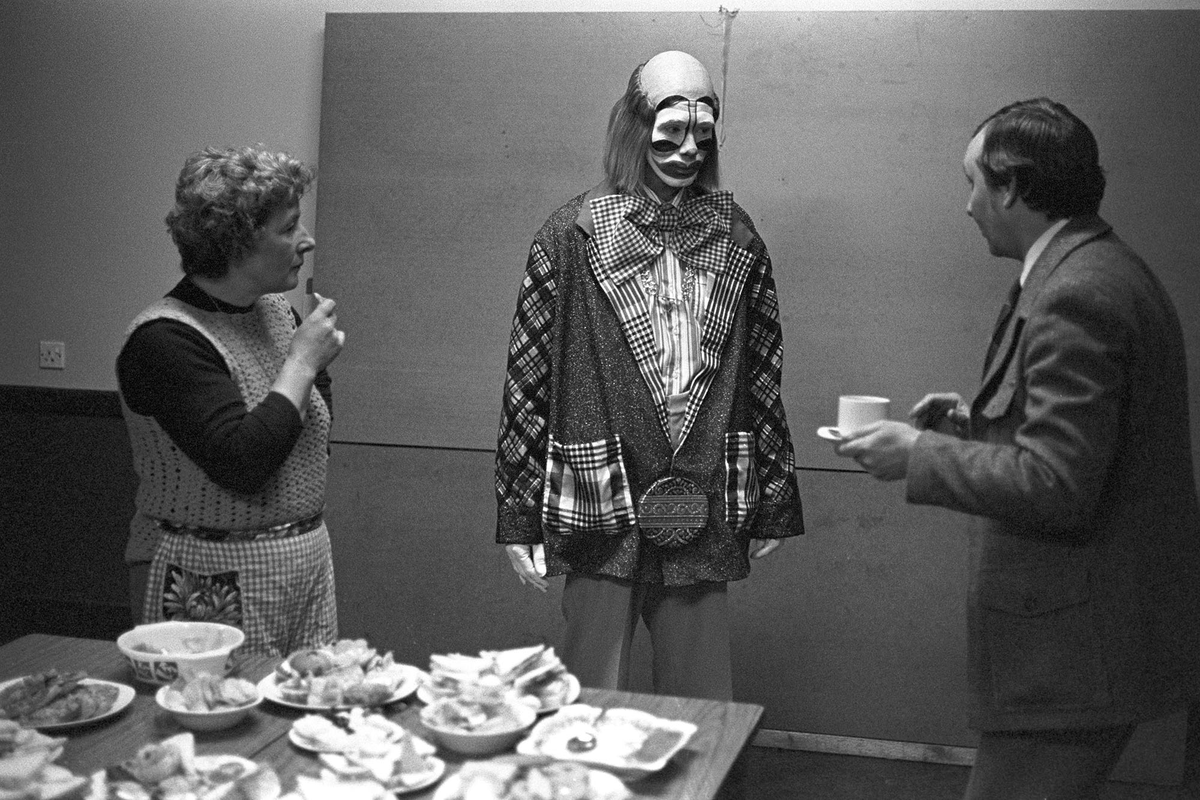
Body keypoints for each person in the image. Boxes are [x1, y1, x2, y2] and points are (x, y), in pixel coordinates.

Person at [836, 98, 1200, 799]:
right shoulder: (1093, 265)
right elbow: (1089, 448)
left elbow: (1060, 484)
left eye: (973, 182)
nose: (967, 205)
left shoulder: (1077, 293)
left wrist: (918, 454)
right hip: (1083, 645)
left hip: (1069, 654)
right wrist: (978, 427)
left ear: (1011, 185)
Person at [494, 50, 805, 701]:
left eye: (704, 132)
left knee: (700, 705)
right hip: (599, 494)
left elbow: (761, 379)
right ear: (634, 129)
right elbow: (526, 384)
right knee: (584, 694)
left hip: (702, 491)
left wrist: (774, 494)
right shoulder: (570, 234)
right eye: (672, 132)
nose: (690, 149)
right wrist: (519, 511)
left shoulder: (738, 237)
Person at [117, 145, 345, 657]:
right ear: (235, 240)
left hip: (304, 557)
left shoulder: (278, 314)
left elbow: (310, 431)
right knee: (216, 718)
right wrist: (303, 364)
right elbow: (242, 463)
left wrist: (309, 368)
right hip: (204, 567)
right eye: (288, 228)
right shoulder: (164, 339)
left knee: (305, 714)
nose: (306, 241)